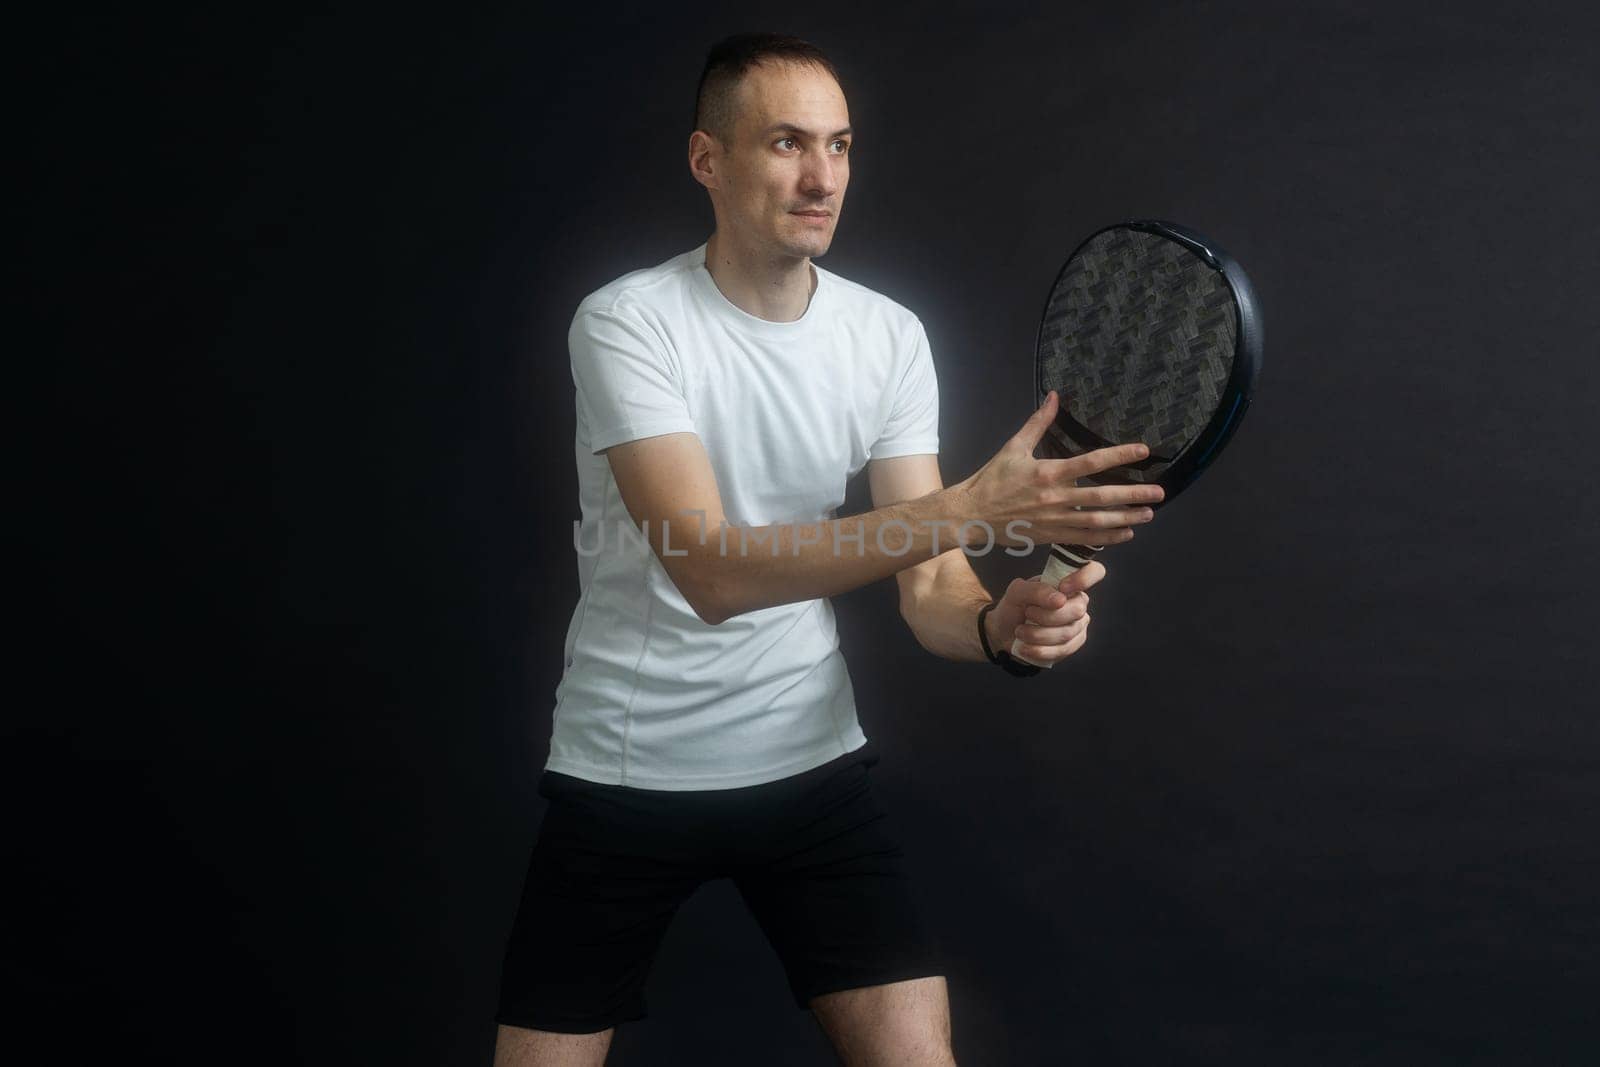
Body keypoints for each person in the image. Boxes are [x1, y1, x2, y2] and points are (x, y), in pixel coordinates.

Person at [492, 32, 1163, 1066]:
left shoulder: (886, 336)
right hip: (629, 772)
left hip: (811, 767)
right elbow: (710, 569)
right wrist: (975, 506)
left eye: (841, 145)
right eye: (787, 144)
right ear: (706, 160)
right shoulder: (628, 323)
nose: (822, 177)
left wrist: (996, 623)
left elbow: (931, 583)